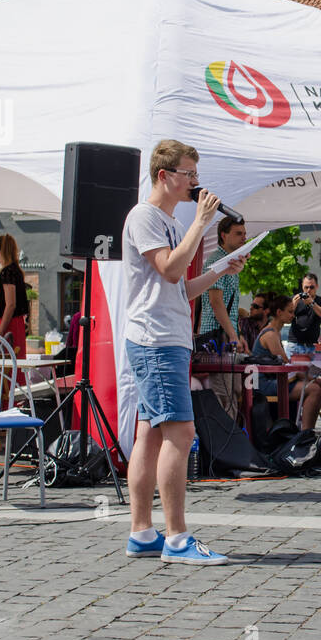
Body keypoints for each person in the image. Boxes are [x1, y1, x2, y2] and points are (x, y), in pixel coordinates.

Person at [122, 139, 245, 565]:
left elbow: (180, 289)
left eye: (196, 174)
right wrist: (202, 223)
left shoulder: (172, 223)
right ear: (165, 176)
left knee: (150, 435)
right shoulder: (145, 217)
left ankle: (142, 532)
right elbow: (171, 268)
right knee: (182, 433)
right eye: (189, 174)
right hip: (155, 340)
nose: (195, 182)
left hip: (166, 335)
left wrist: (218, 270)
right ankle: (176, 538)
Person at [252, 295, 321, 430]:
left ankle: (304, 432)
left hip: (270, 381)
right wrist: (312, 379)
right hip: (263, 385)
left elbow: (288, 367)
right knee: (315, 390)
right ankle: (305, 434)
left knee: (313, 387)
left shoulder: (274, 332)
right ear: (279, 313)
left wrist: (310, 378)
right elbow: (286, 366)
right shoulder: (271, 335)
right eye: (290, 311)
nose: (293, 315)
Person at [197, 216, 249, 352]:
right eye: (238, 233)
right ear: (223, 236)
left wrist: (238, 334)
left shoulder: (230, 261)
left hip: (222, 335)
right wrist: (233, 335)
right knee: (220, 374)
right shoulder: (217, 261)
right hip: (215, 336)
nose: (244, 238)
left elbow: (229, 307)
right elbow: (216, 302)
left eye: (244, 234)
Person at [0, 234, 29, 355]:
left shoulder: (7, 272)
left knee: (8, 363)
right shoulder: (15, 270)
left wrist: (0, 331)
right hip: (16, 322)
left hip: (9, 323)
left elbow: (10, 304)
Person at [288, 273, 321, 355]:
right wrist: (293, 306)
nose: (309, 290)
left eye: (311, 287)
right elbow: (286, 319)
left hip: (312, 345)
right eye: (306, 287)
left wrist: (312, 303)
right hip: (294, 344)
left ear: (317, 286)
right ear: (302, 286)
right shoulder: (295, 299)